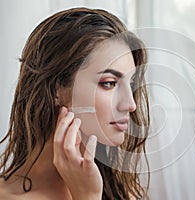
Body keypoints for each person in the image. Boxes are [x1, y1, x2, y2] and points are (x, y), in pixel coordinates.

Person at [0, 7, 150, 200]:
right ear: (56, 90)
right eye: (109, 84)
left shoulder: (115, 187)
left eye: (131, 84)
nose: (130, 105)